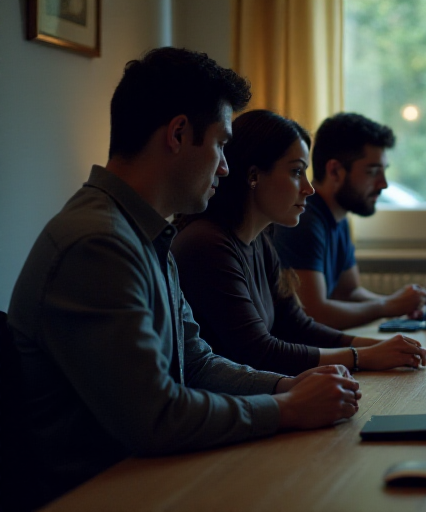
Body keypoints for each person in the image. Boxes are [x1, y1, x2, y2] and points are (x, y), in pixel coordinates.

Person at [6, 48, 360, 506]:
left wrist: (283, 386)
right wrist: (286, 409)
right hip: (105, 492)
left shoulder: (144, 232)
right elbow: (155, 418)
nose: (226, 167)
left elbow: (195, 363)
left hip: (150, 474)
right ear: (177, 134)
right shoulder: (97, 245)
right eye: (220, 145)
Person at [172, 110, 426, 376]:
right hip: (228, 406)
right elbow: (259, 352)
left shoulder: (259, 242)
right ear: (253, 176)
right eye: (296, 172)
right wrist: (361, 356)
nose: (309, 188)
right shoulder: (207, 245)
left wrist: (380, 347)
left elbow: (297, 327)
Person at [272, 113, 426, 330]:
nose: (383, 184)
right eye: (373, 172)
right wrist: (387, 306)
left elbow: (348, 292)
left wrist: (399, 305)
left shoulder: (339, 217)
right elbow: (314, 314)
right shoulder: (303, 220)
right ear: (335, 170)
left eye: (383, 171)